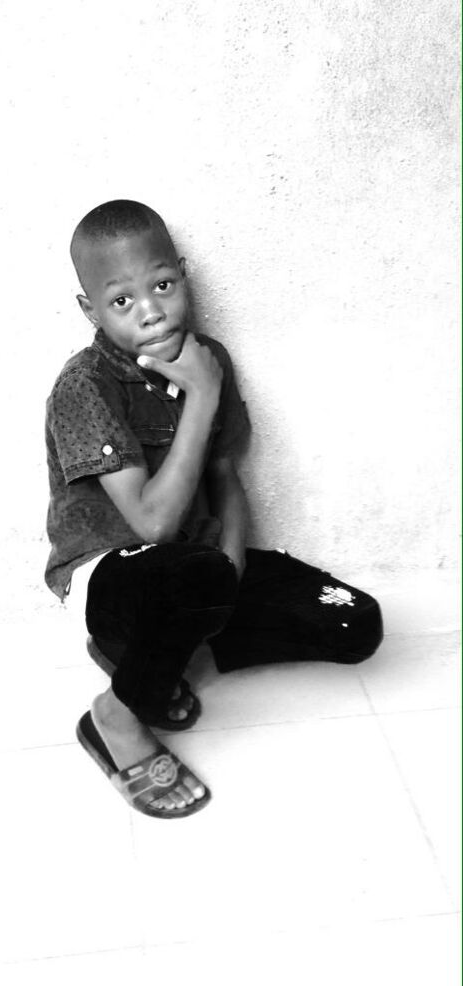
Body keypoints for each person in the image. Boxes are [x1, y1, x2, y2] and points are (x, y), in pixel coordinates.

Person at [44, 199, 382, 820]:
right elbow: (152, 524)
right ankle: (116, 715)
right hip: (111, 572)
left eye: (162, 286)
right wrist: (200, 394)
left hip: (197, 564)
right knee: (192, 576)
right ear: (90, 310)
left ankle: (168, 647)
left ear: (182, 274)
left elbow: (225, 475)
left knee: (354, 623)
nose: (150, 311)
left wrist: (230, 569)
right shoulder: (85, 386)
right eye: (121, 301)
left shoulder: (210, 357)